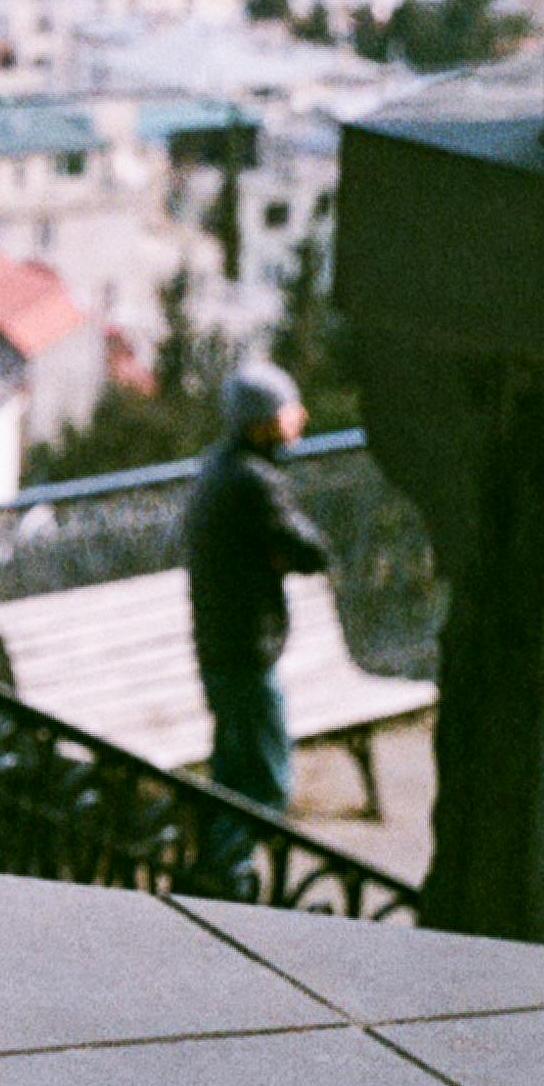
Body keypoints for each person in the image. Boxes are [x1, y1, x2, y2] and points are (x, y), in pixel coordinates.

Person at [181, 362, 331, 897]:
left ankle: (216, 869)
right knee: (266, 780)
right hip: (246, 651)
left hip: (220, 645)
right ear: (263, 422)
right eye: (290, 410)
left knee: (231, 772)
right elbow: (310, 551)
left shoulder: (220, 468)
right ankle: (224, 875)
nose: (301, 418)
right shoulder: (254, 482)